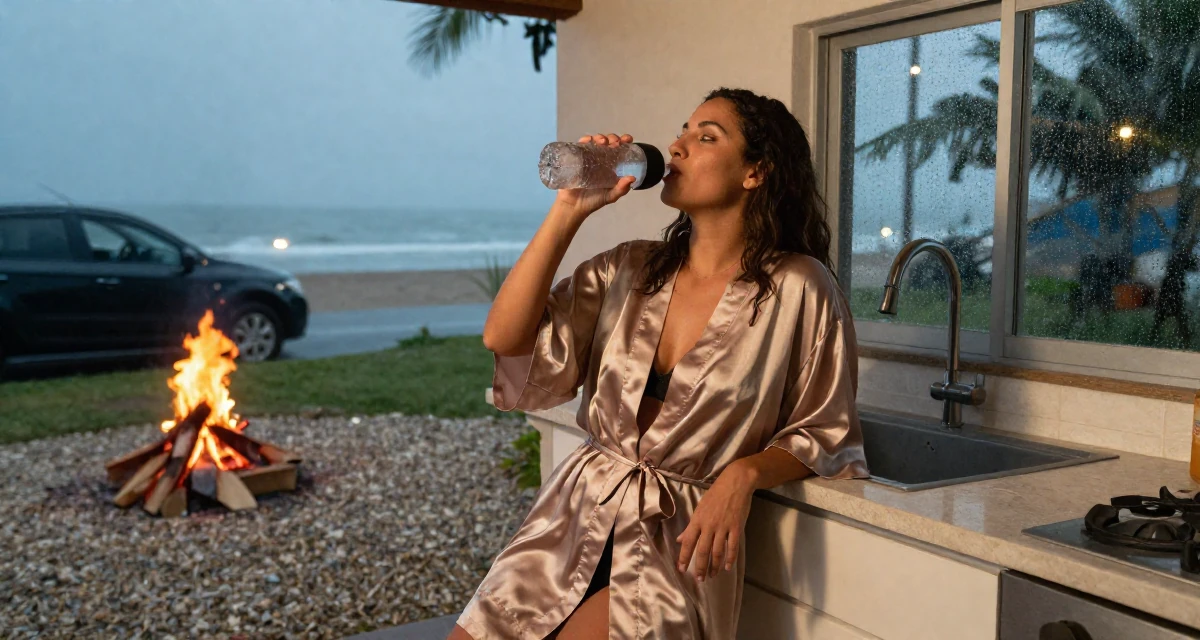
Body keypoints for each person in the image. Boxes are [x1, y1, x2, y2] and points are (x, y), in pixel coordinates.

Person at [448, 87, 869, 640]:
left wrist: (743, 474)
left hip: (674, 539)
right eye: (683, 131)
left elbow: (826, 428)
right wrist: (568, 209)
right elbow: (503, 335)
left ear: (755, 173)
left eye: (706, 136)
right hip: (574, 516)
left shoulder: (799, 287)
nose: (677, 146)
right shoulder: (631, 267)